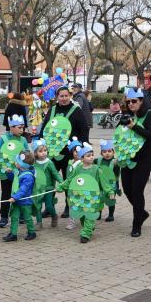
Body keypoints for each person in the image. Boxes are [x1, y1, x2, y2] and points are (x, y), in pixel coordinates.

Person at [39, 86, 89, 219]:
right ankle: (49, 207)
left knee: (69, 181)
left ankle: (69, 206)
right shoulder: (53, 109)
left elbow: (84, 130)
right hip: (52, 153)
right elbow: (45, 128)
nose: (64, 98)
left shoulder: (76, 110)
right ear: (57, 97)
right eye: (61, 96)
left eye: (66, 95)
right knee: (49, 181)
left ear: (70, 96)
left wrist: (82, 149)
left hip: (70, 153)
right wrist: (40, 143)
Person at [120, 88, 151, 238]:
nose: (131, 104)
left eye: (134, 101)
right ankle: (142, 213)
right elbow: (121, 136)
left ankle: (137, 225)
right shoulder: (127, 114)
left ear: (141, 101)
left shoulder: (150, 114)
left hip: (144, 158)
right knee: (127, 190)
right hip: (127, 158)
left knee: (137, 191)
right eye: (128, 101)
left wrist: (133, 126)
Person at [58, 143, 112, 243]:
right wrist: (61, 187)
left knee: (90, 214)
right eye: (88, 155)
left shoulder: (96, 169)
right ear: (82, 159)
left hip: (92, 197)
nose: (91, 157)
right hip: (80, 196)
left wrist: (109, 191)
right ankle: (88, 227)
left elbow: (104, 182)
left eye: (92, 155)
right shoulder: (78, 169)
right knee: (82, 215)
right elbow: (70, 180)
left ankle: (85, 234)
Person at [0, 115, 29, 228]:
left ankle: (22, 214)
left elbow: (28, 155)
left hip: (19, 173)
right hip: (5, 173)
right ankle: (4, 216)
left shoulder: (23, 140)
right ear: (11, 128)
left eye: (23, 127)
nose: (22, 130)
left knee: (20, 192)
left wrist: (30, 168)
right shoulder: (3, 139)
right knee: (6, 194)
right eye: (19, 127)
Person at [3, 151, 36, 242]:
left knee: (27, 217)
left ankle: (32, 232)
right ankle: (13, 234)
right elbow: (13, 180)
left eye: (17, 162)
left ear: (22, 164)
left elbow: (23, 189)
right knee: (14, 216)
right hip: (16, 200)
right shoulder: (19, 172)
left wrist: (15, 197)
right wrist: (9, 173)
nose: (15, 163)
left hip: (25, 201)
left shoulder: (28, 177)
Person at [32, 138, 62, 228]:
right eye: (40, 151)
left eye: (45, 150)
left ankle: (54, 216)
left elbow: (56, 174)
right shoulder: (34, 164)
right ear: (35, 153)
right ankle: (39, 222)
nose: (44, 153)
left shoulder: (49, 163)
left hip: (49, 188)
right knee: (38, 206)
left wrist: (61, 183)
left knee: (49, 205)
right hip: (38, 188)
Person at [95, 140, 120, 222]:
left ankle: (111, 215)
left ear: (113, 152)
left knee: (111, 200)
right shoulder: (98, 160)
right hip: (99, 184)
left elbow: (117, 174)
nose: (107, 153)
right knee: (99, 200)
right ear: (101, 153)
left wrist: (117, 187)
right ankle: (98, 214)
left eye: (109, 151)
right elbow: (89, 161)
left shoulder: (115, 162)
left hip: (111, 185)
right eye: (104, 152)